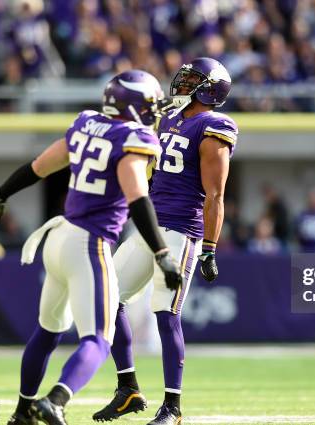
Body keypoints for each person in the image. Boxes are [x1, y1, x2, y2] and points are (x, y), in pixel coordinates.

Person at [0, 70, 182, 425]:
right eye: (149, 104)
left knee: (48, 331)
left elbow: (39, 167)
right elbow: (137, 198)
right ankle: (55, 400)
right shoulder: (134, 137)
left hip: (57, 239)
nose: (154, 111)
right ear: (134, 107)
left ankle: (22, 412)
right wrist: (162, 253)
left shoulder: (86, 124)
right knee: (99, 340)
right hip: (89, 243)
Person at [93, 57, 237, 425]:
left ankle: (172, 407)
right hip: (150, 227)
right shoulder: (170, 118)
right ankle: (128, 389)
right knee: (109, 299)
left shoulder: (214, 126)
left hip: (180, 231)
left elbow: (216, 195)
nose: (182, 84)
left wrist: (209, 248)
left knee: (164, 312)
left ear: (210, 88)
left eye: (191, 80)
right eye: (184, 78)